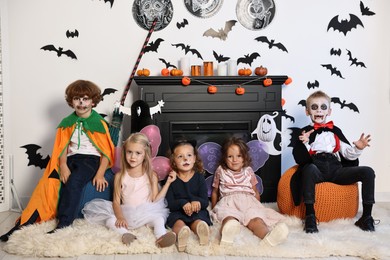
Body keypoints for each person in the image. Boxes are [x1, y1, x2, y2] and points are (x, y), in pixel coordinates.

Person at [0, 80, 115, 241]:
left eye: (86, 98)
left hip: (91, 160)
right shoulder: (67, 124)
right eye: (77, 98)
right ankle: (23, 224)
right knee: (47, 183)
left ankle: (64, 223)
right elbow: (62, 148)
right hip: (70, 159)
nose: (81, 102)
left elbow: (106, 152)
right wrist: (63, 165)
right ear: (71, 101)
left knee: (74, 182)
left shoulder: (99, 124)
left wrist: (101, 173)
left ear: (93, 101)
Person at [291, 90, 376, 233]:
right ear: (307, 111)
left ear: (329, 111)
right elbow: (302, 159)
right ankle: (310, 217)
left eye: (323, 107)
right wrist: (303, 142)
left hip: (336, 170)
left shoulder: (335, 131)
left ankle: (367, 217)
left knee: (368, 172)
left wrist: (358, 148)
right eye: (314, 107)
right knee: (309, 169)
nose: (319, 110)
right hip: (316, 169)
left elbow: (348, 154)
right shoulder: (305, 132)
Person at [82, 133, 176, 248]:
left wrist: (168, 183)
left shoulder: (151, 176)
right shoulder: (120, 176)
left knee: (159, 219)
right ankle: (126, 234)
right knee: (110, 220)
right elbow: (116, 201)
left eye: (138, 153)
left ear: (145, 155)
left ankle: (161, 236)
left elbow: (155, 199)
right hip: (126, 214)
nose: (133, 157)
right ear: (124, 152)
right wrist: (120, 217)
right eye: (129, 152)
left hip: (146, 214)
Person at [211, 137, 289, 246]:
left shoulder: (248, 171)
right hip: (228, 202)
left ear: (245, 157)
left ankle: (268, 237)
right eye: (230, 156)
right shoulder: (221, 170)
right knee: (229, 218)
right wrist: (214, 208)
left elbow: (255, 191)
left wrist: (257, 207)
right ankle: (227, 236)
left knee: (257, 220)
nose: (235, 160)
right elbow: (215, 191)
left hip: (249, 202)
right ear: (224, 158)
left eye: (239, 156)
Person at [164, 139, 212, 252]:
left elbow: (205, 201)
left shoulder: (199, 177)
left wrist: (197, 202)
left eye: (189, 155)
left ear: (194, 159)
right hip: (178, 211)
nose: (185, 159)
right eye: (180, 156)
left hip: (196, 211)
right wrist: (182, 203)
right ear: (174, 161)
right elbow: (169, 203)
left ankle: (201, 231)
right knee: (178, 223)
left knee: (198, 221)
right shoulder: (172, 179)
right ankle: (182, 235)